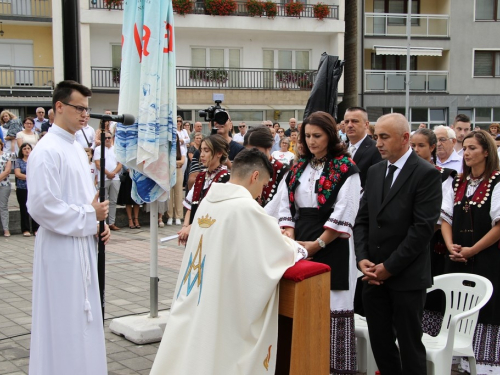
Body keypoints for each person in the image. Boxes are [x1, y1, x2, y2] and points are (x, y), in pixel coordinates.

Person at [149, 148, 308, 375]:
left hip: (199, 293)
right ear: (255, 176)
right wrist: (296, 247)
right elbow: (277, 251)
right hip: (220, 297)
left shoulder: (208, 201)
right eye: (263, 184)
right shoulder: (245, 207)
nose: (261, 192)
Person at [26, 80, 110, 375]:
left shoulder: (76, 147)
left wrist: (99, 224)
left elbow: (84, 198)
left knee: (83, 319)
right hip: (61, 248)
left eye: (88, 110)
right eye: (80, 108)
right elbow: (40, 206)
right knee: (63, 319)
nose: (86, 115)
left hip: (82, 243)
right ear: (59, 107)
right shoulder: (47, 150)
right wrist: (89, 216)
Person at [354, 113, 442, 375]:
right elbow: (363, 220)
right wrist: (363, 259)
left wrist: (389, 268)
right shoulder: (374, 170)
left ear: (405, 138)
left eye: (384, 137)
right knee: (380, 344)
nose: (378, 143)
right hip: (373, 276)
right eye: (376, 136)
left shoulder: (426, 174)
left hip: (407, 278)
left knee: (410, 346)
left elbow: (422, 230)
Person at [279, 111, 361, 374]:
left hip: (332, 242)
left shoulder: (346, 168)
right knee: (301, 302)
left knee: (332, 305)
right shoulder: (298, 166)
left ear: (330, 136)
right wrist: (289, 236)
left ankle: (335, 368)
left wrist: (317, 245)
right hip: (299, 239)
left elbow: (345, 211)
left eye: (318, 136)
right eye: (308, 136)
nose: (311, 141)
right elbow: (285, 203)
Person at [440, 129, 500, 375]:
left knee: (487, 308)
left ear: (486, 151)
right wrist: (449, 244)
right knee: (456, 305)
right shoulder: (456, 181)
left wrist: (473, 249)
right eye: (464, 148)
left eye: (472, 148)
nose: (466, 153)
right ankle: (453, 359)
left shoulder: (497, 181)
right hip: (457, 254)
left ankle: (483, 365)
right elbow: (444, 217)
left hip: (487, 256)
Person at [410, 128, 457, 336]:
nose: (416, 150)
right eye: (412, 146)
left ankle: (431, 335)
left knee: (431, 291)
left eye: (421, 146)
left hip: (430, 240)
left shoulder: (444, 176)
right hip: (405, 237)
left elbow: (442, 213)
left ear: (432, 148)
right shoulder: (403, 173)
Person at [178, 135, 230, 245]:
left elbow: (215, 213)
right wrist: (185, 227)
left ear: (219, 153)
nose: (201, 154)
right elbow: (190, 207)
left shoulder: (226, 179)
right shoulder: (201, 176)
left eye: (206, 150)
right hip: (195, 233)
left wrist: (191, 227)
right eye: (201, 150)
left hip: (212, 236)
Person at [243, 126, 289, 210]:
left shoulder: (281, 169)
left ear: (269, 146)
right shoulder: (244, 168)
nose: (252, 154)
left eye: (256, 150)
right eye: (248, 151)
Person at [344, 107, 382, 190]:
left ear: (366, 124)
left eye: (355, 121)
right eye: (346, 122)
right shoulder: (341, 149)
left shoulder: (376, 149)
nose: (350, 125)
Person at [94, 131, 122, 231]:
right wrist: (108, 173)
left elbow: (120, 163)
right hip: (104, 178)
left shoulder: (116, 149)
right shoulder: (98, 149)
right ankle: (103, 222)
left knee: (113, 201)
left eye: (109, 138)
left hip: (115, 178)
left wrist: (113, 173)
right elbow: (98, 164)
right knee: (103, 201)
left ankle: (112, 222)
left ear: (112, 138)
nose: (107, 139)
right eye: (105, 138)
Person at [15, 143, 39, 237]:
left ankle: (35, 229)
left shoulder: (35, 160)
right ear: (21, 150)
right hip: (22, 188)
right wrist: (31, 177)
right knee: (24, 208)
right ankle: (25, 229)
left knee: (34, 207)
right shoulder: (18, 161)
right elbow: (17, 174)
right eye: (24, 148)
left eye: (28, 148)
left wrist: (26, 177)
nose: (27, 150)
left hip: (33, 188)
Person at [167, 136, 187, 226]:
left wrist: (173, 162)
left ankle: (178, 216)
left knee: (178, 193)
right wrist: (176, 162)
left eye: (175, 138)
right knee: (169, 194)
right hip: (168, 171)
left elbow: (182, 161)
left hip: (178, 171)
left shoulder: (181, 148)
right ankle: (170, 216)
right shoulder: (167, 148)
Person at [0, 139, 12, 237]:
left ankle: (6, 229)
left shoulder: (6, 156)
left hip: (4, 185)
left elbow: (7, 171)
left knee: (3, 207)